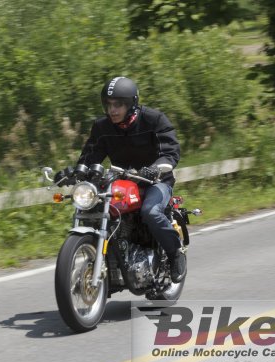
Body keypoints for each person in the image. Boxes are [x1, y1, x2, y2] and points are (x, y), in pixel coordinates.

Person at [55, 76, 186, 282]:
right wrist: (73, 173)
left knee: (150, 212)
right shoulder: (102, 127)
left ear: (131, 104)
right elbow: (90, 157)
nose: (112, 110)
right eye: (108, 105)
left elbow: (170, 153)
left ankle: (174, 254)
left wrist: (154, 169)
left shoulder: (154, 120)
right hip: (120, 181)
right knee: (94, 209)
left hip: (155, 181)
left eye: (119, 105)